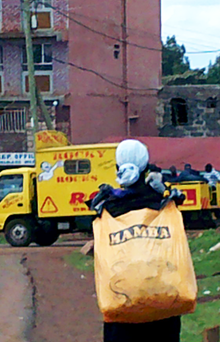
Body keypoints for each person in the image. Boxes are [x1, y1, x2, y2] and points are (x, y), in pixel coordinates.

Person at [89, 139, 184, 342]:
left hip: (122, 307)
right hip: (163, 306)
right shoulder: (163, 203)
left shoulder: (108, 207)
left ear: (117, 168)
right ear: (147, 168)